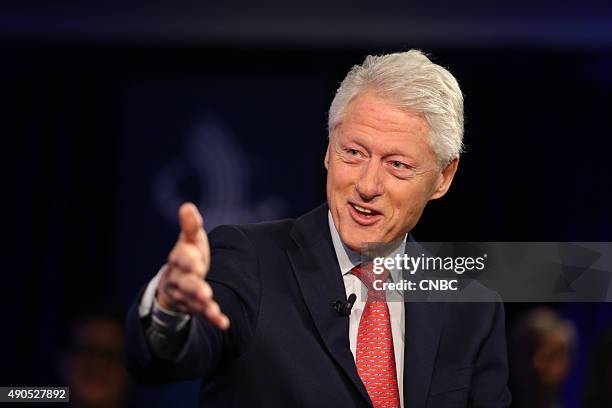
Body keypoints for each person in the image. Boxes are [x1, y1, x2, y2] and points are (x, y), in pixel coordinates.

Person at [125, 50, 511, 407]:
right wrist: (168, 311)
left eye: (397, 165)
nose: (367, 185)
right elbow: (165, 360)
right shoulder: (250, 260)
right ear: (329, 149)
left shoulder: (471, 308)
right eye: (354, 152)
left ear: (444, 177)